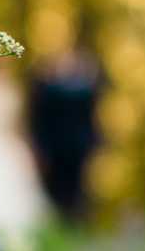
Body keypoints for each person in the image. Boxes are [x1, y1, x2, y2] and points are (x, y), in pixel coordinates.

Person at [27, 48, 102, 220]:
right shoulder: (48, 89)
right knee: (57, 187)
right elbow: (40, 120)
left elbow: (91, 118)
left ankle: (72, 219)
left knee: (76, 189)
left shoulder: (84, 88)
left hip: (77, 147)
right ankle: (62, 219)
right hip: (56, 148)